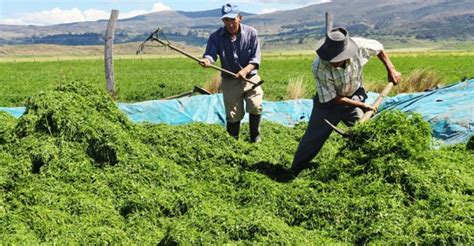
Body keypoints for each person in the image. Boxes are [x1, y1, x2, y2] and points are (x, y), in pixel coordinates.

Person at [290, 27, 401, 176]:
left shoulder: (360, 47)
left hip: (354, 93)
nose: (332, 62)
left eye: (336, 59)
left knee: (366, 134)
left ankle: (372, 168)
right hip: (328, 104)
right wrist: (362, 105)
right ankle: (295, 170)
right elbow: (334, 98)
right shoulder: (319, 66)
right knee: (313, 138)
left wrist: (391, 69)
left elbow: (379, 48)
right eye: (330, 58)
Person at [199, 3, 263, 143]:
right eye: (226, 20)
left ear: (240, 18)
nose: (230, 23)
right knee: (233, 114)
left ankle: (255, 140)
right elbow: (210, 55)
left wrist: (244, 71)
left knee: (256, 105)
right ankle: (232, 145)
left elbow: (255, 59)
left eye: (233, 19)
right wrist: (207, 60)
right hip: (230, 80)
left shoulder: (252, 33)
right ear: (223, 21)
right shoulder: (216, 37)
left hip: (250, 78)